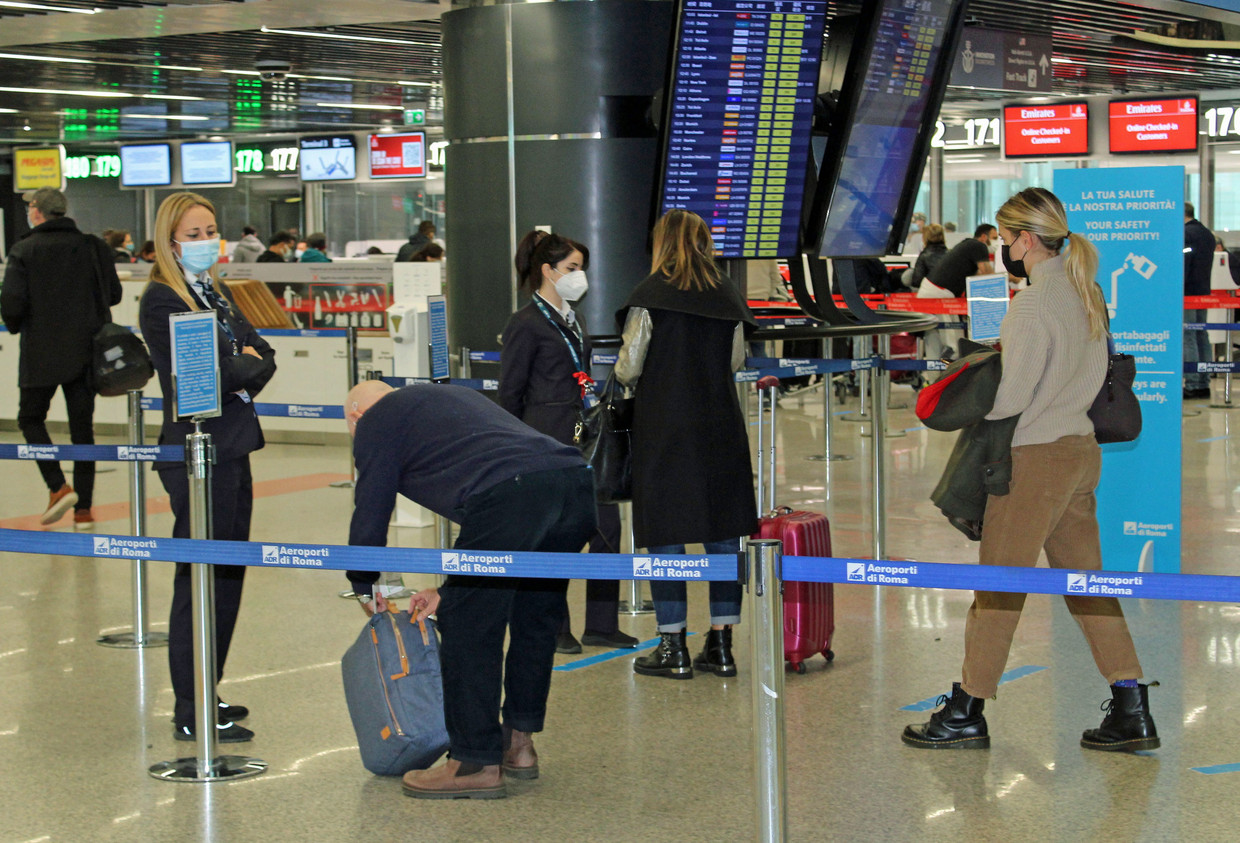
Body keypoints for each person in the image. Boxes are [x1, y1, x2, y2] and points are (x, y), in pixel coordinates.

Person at [903, 187, 1158, 754]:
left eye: (1004, 238)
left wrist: (969, 383)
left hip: (1035, 461)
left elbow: (1011, 399)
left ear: (1023, 240)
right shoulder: (1086, 290)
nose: (1002, 250)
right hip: (1079, 454)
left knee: (997, 588)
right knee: (1088, 587)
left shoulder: (1032, 304)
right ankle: (1131, 705)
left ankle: (966, 709)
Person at [343, 381, 597, 800]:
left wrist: (363, 583)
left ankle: (473, 762)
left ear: (355, 416)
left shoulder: (376, 420)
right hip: (574, 484)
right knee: (535, 616)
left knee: (468, 624)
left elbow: (372, 506)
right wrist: (450, 589)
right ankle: (519, 745)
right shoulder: (442, 399)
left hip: (512, 492)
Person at [138, 192, 277, 744]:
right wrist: (241, 366)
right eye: (193, 234)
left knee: (227, 577)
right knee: (199, 579)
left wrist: (242, 366)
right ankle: (190, 704)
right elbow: (209, 377)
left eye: (211, 231)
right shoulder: (163, 301)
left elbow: (262, 353)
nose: (206, 242)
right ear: (170, 241)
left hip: (234, 447)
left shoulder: (214, 292)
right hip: (197, 455)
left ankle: (207, 685)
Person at [615, 209, 758, 680]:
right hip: (719, 425)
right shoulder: (726, 294)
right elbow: (735, 360)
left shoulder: (649, 294)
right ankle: (721, 645)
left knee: (665, 533)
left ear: (663, 243)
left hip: (664, 428)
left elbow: (629, 366)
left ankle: (672, 645)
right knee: (724, 533)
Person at [498, 231, 636, 654]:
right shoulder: (525, 323)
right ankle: (554, 626)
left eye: (581, 268)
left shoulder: (574, 320)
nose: (580, 276)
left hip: (584, 435)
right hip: (544, 437)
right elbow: (510, 393)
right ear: (548, 270)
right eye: (572, 268)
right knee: (555, 532)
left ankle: (602, 624)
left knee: (607, 526)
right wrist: (514, 450)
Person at [1, 187, 122, 528]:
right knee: (83, 431)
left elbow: (12, 306)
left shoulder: (24, 250)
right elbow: (113, 294)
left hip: (40, 354)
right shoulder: (94, 247)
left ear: (37, 211)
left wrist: (20, 322)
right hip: (86, 354)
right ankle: (84, 510)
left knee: (30, 419)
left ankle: (58, 486)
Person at [1184, 203, 1215, 399]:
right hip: (1202, 291)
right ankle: (1204, 382)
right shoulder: (1207, 234)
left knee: (1188, 335)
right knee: (1201, 334)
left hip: (1187, 292)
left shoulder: (1186, 234)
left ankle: (1193, 383)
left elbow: (1185, 264)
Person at [919, 223, 996, 299]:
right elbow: (989, 275)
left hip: (932, 289)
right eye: (994, 238)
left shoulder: (969, 245)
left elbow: (978, 274)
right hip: (939, 292)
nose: (997, 241)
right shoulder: (979, 246)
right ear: (983, 237)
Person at [902, 223, 948, 290]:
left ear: (925, 238)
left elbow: (917, 281)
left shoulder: (924, 256)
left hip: (929, 291)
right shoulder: (951, 254)